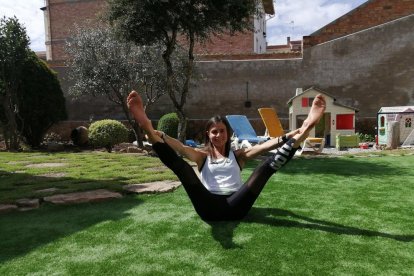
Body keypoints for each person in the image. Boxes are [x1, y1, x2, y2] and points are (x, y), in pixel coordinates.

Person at [127, 91, 326, 221]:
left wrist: (287, 136)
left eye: (222, 131)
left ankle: (304, 130)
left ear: (228, 134)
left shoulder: (238, 155)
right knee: (183, 169)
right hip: (207, 206)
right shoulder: (201, 156)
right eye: (214, 131)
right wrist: (159, 135)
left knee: (264, 169)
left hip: (236, 205)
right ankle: (148, 129)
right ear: (208, 135)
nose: (219, 135)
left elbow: (265, 146)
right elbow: (179, 148)